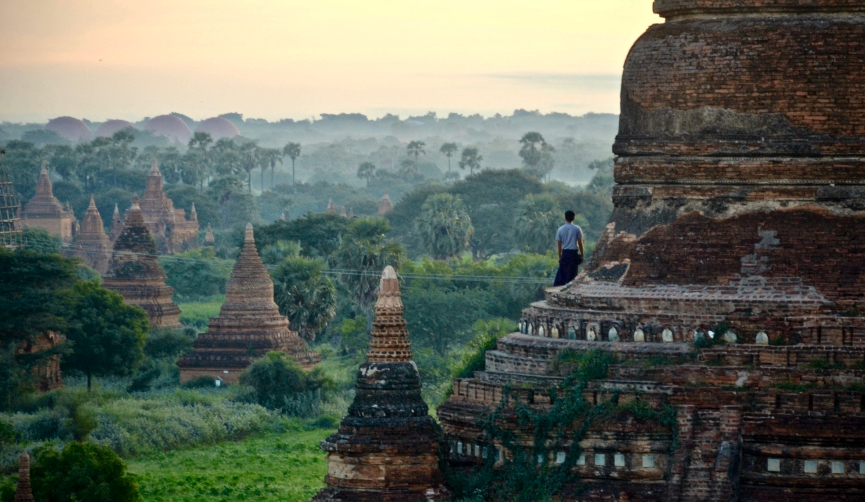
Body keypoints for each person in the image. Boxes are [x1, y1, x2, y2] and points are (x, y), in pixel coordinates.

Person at [553, 210, 584, 287]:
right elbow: (580, 243)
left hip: (565, 253)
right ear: (574, 218)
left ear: (565, 218)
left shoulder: (560, 229)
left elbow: (559, 245)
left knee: (562, 272)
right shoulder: (577, 229)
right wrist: (582, 254)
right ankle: (570, 287)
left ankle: (560, 288)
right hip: (573, 253)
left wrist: (560, 256)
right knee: (572, 272)